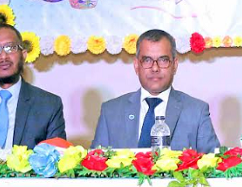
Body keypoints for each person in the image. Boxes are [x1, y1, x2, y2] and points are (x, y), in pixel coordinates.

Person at [91, 29, 220, 153]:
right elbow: (95, 164)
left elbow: (215, 163)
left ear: (174, 65)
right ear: (136, 66)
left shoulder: (197, 112)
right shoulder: (111, 112)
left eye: (163, 60)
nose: (155, 68)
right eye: (147, 60)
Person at [0, 23, 65, 149]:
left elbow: (57, 156)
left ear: (24, 55)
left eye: (10, 48)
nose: (3, 56)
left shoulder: (49, 105)